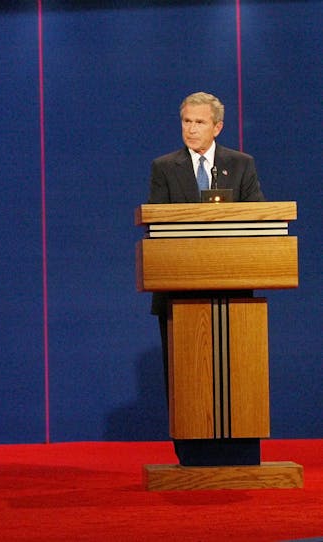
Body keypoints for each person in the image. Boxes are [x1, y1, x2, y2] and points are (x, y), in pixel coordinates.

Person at [147, 91, 265, 466]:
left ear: (218, 127)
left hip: (233, 291)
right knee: (187, 379)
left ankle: (240, 453)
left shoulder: (241, 165)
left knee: (236, 374)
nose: (191, 129)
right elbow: (156, 227)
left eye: (199, 122)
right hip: (180, 292)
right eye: (186, 121)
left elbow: (259, 220)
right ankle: (192, 455)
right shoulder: (164, 167)